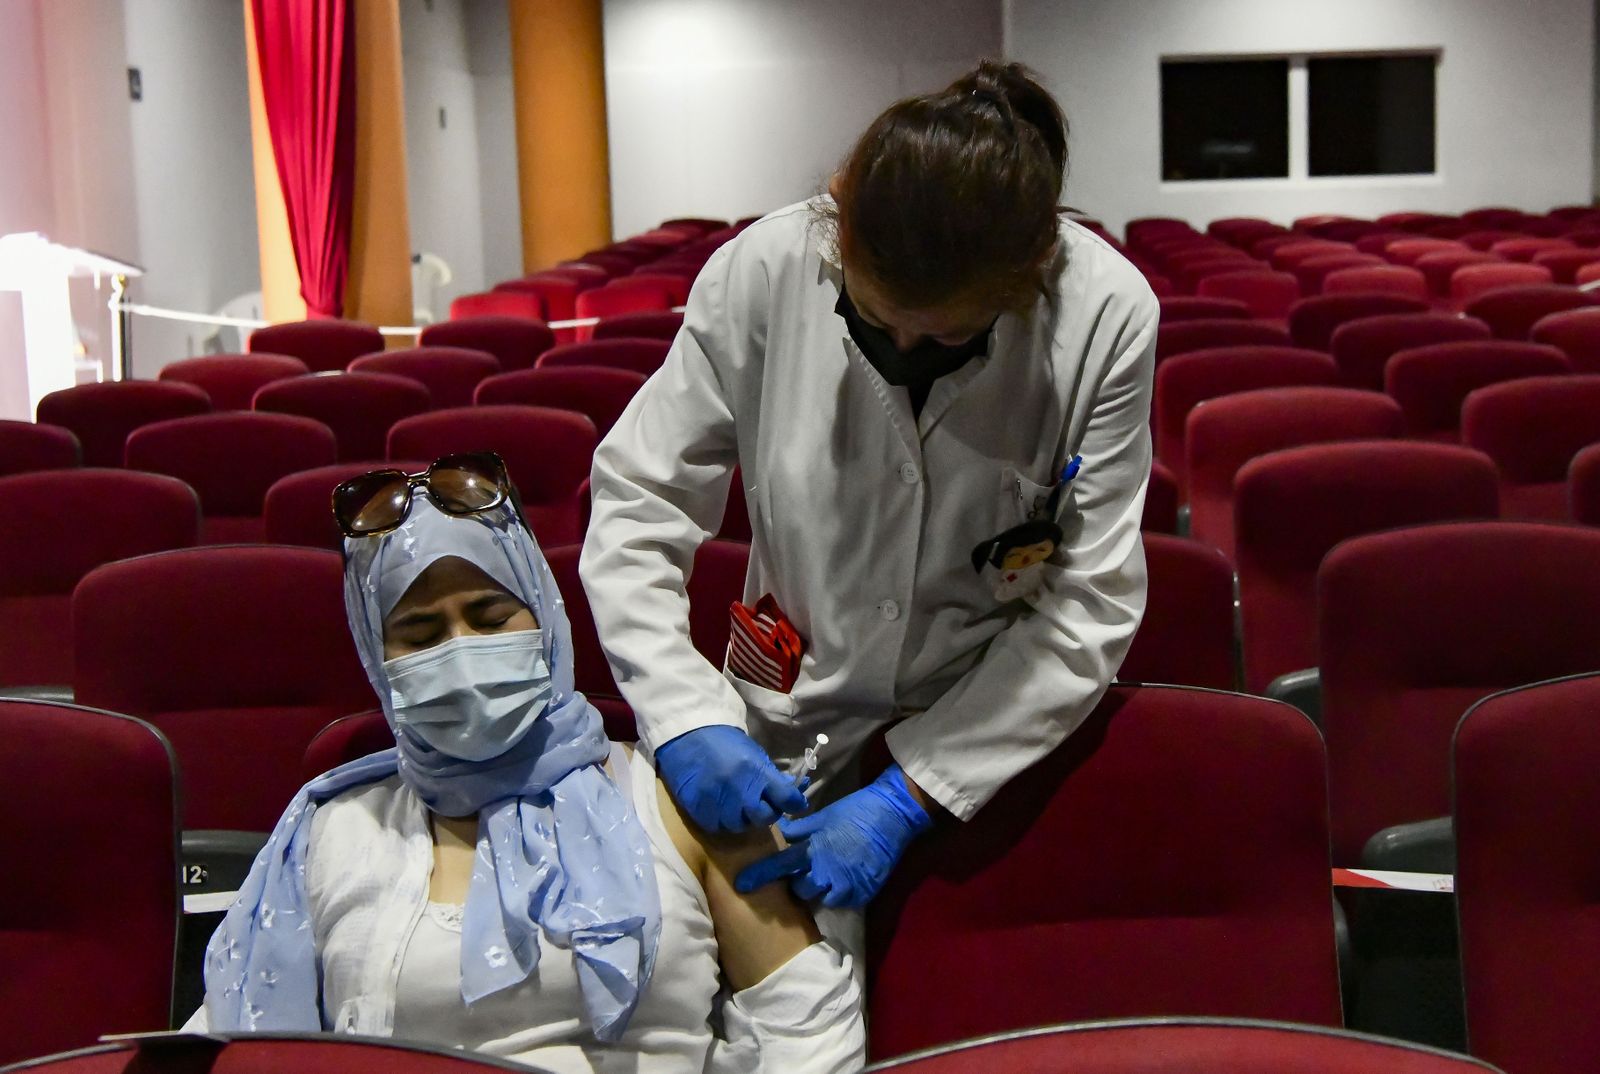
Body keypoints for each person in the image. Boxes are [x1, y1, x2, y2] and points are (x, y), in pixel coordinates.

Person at [581, 60, 1157, 912]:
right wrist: (682, 711)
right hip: (784, 716)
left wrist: (910, 794)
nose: (904, 355)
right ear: (838, 231)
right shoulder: (765, 271)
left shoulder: (1104, 314)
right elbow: (640, 500)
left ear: (1027, 280)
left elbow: (1088, 600)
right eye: (877, 323)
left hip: (985, 725)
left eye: (944, 339)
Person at [183, 452, 864, 1074]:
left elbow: (807, 1027)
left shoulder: (681, 799)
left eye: (488, 616)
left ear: (543, 615)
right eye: (419, 634)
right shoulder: (331, 833)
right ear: (375, 656)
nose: (459, 649)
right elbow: (236, 1041)